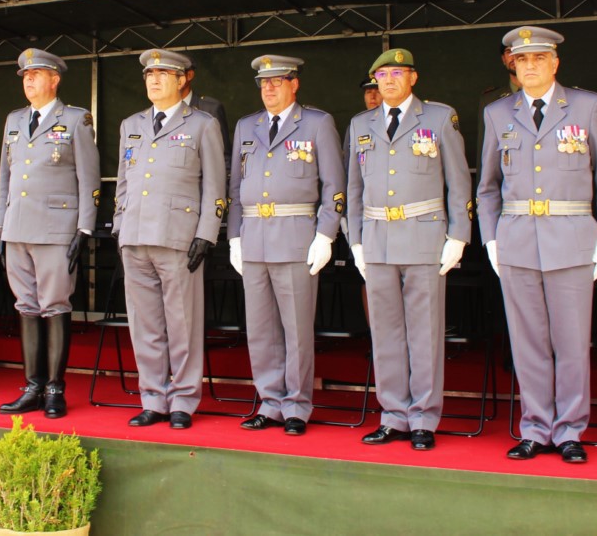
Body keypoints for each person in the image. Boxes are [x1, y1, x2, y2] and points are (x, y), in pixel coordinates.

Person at [477, 26, 597, 464]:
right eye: (523, 60)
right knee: (528, 342)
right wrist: (490, 237)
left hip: (572, 238)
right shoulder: (498, 113)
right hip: (517, 239)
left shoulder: (587, 105)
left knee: (572, 340)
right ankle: (536, 427)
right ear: (513, 67)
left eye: (539, 58)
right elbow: (487, 186)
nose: (531, 66)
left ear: (555, 62)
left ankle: (572, 429)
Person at [344, 48, 472, 451]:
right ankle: (393, 414)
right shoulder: (360, 124)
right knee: (385, 334)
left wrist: (459, 235)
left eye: (398, 73)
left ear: (413, 78)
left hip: (424, 235)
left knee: (424, 332)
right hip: (378, 237)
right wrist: (356, 239)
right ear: (375, 82)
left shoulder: (437, 117)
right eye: (382, 76)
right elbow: (353, 188)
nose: (390, 81)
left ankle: (423, 418)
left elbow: (458, 179)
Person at [228, 54, 345, 436]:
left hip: (296, 237)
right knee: (260, 328)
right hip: (253, 236)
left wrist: (326, 233)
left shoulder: (316, 123)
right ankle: (270, 401)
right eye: (264, 83)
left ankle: (296, 404)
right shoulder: (247, 126)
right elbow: (234, 187)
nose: (269, 88)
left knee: (296, 329)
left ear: (294, 84)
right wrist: (233, 236)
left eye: (277, 81)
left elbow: (334, 185)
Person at [114, 49, 226, 430]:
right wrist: (119, 227)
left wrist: (206, 234)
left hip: (179, 238)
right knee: (144, 325)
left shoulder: (202, 124)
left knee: (182, 324)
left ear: (183, 81)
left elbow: (215, 185)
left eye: (164, 74)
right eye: (150, 74)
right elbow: (124, 182)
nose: (154, 80)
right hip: (135, 236)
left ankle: (183, 399)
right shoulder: (131, 124)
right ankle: (153, 397)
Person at [0, 48, 100, 419]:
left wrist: (84, 226)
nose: (29, 79)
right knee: (25, 305)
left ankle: (55, 388)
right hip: (17, 227)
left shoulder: (75, 120)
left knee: (55, 305)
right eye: (25, 74)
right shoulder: (13, 120)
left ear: (54, 80)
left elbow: (88, 177)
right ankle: (32, 387)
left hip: (57, 228)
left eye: (37, 74)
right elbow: (5, 179)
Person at [476, 44, 521, 163]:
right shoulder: (490, 99)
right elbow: (485, 151)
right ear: (503, 59)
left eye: (519, 51)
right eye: (509, 51)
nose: (514, 56)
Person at [181, 54, 229, 156]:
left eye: (175, 74)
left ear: (189, 75)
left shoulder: (209, 109)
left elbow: (224, 157)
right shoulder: (158, 112)